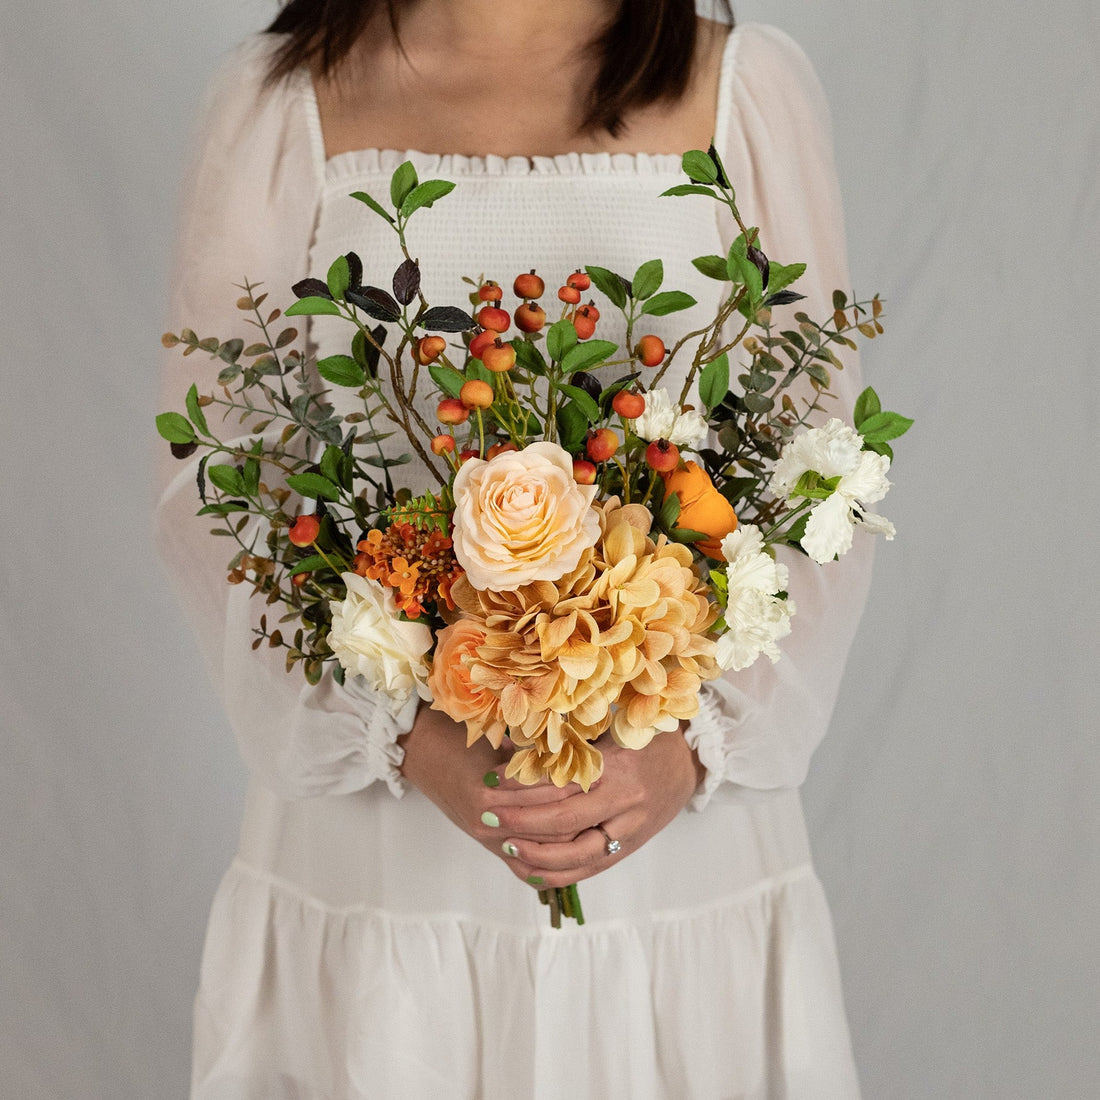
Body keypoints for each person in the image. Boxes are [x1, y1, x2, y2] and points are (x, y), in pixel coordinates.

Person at [156, 2, 873, 1096]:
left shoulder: (746, 89)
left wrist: (692, 746)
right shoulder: (277, 101)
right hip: (383, 876)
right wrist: (401, 736)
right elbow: (216, 484)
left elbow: (825, 467)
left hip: (675, 866)